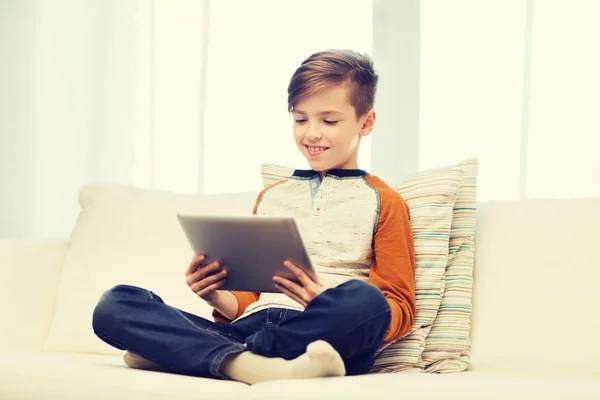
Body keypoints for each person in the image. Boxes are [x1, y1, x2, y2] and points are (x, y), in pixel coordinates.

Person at [92, 49, 415, 384]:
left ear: (366, 122)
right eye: (301, 119)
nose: (311, 134)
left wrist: (326, 299)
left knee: (366, 301)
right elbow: (251, 298)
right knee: (115, 305)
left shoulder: (384, 201)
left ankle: (200, 354)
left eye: (329, 121)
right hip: (249, 329)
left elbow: (398, 308)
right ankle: (248, 362)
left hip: (320, 334)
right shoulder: (272, 196)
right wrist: (215, 295)